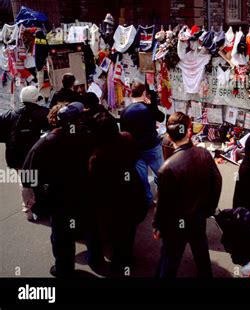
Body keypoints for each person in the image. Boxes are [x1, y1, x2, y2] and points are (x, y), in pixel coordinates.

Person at [23, 102, 93, 277]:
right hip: (81, 194)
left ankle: (64, 269)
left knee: (62, 236)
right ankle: (93, 258)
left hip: (58, 199)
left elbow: (28, 174)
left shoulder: (46, 142)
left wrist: (31, 197)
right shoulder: (84, 136)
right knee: (83, 227)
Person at [152, 112, 222, 278]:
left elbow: (163, 203)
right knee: (200, 250)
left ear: (169, 136)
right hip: (198, 215)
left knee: (171, 257)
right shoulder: (203, 154)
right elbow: (217, 181)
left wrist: (158, 225)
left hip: (176, 222)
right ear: (188, 132)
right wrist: (209, 208)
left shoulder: (167, 168)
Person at [88, 112, 148, 275]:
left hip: (111, 198)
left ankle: (119, 263)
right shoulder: (127, 138)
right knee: (128, 230)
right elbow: (136, 156)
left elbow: (95, 181)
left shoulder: (97, 155)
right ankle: (126, 259)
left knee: (114, 232)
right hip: (131, 190)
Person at [0, 86, 49, 221]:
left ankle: (29, 209)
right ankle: (38, 208)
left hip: (15, 156)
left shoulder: (8, 114)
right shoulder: (44, 113)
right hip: (36, 156)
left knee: (25, 182)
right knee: (38, 181)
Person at [120, 82, 165, 206]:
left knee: (142, 178)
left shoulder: (125, 111)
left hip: (136, 150)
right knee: (161, 173)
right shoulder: (148, 108)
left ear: (131, 94)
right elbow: (161, 118)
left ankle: (147, 200)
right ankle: (164, 198)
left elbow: (124, 133)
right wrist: (152, 105)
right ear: (144, 93)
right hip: (152, 146)